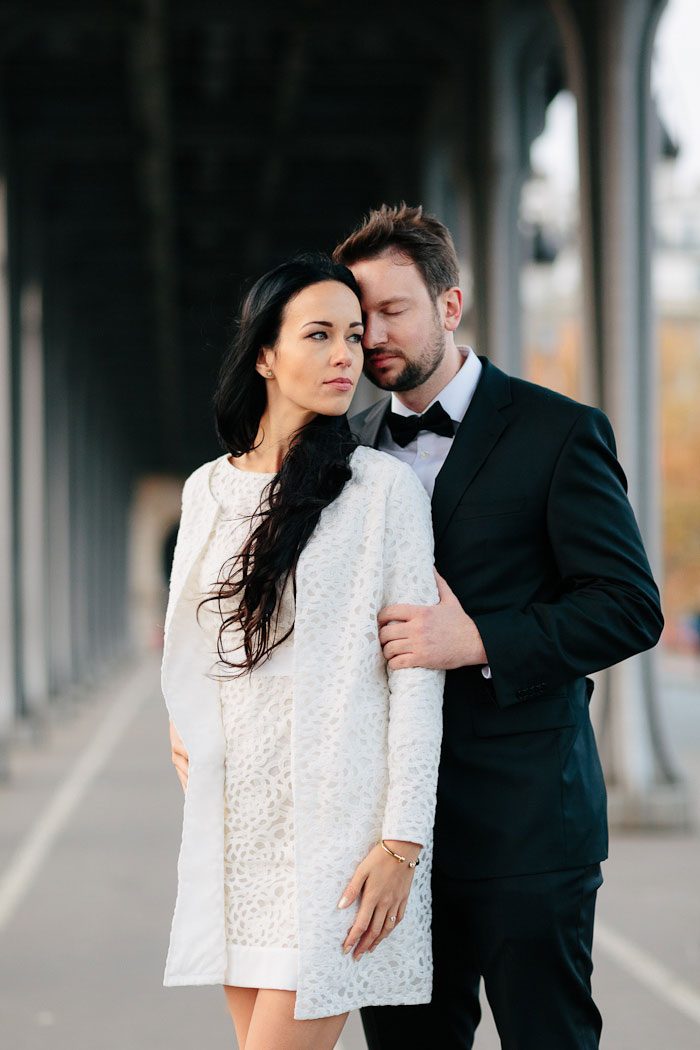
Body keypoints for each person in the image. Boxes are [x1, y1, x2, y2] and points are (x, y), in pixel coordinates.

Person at [333, 204, 664, 1050]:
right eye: (358, 316)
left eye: (393, 309)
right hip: (390, 841)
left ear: (451, 305)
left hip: (528, 827)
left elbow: (629, 606)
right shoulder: (344, 450)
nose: (372, 334)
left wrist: (477, 639)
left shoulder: (560, 432)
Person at [161, 255, 444, 1050]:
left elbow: (414, 678)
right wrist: (182, 723)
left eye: (353, 336)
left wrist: (401, 844)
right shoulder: (206, 489)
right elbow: (196, 646)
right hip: (238, 832)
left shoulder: (382, 490)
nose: (345, 356)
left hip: (340, 839)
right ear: (263, 353)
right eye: (318, 335)